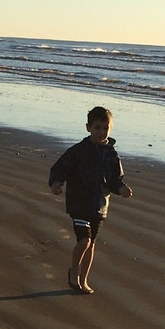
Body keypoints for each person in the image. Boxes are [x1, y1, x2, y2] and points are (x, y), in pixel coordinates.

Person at [48, 106, 133, 293]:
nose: (101, 132)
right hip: (79, 203)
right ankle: (74, 271)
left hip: (100, 205)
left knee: (91, 243)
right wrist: (56, 182)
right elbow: (60, 168)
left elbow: (114, 180)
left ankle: (83, 280)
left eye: (105, 128)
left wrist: (121, 188)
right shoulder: (78, 151)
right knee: (84, 240)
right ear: (88, 127)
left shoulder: (111, 154)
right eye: (97, 127)